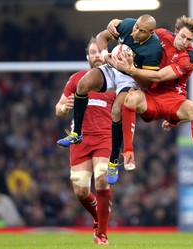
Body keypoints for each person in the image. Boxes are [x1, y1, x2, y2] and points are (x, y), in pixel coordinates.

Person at [109, 15, 193, 183]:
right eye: (182, 36)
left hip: (173, 100)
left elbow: (160, 76)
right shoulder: (159, 35)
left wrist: (131, 70)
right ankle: (128, 152)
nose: (184, 41)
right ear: (176, 32)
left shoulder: (189, 58)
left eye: (189, 40)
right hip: (151, 97)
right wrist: (115, 23)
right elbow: (130, 27)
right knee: (130, 99)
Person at [57, 15, 163, 185]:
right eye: (136, 27)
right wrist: (106, 54)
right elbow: (102, 36)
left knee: (116, 111)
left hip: (130, 77)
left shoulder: (153, 49)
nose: (135, 32)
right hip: (111, 67)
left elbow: (147, 82)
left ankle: (113, 161)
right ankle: (77, 133)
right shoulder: (127, 25)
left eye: (141, 31)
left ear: (150, 33)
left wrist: (131, 69)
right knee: (83, 84)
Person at [55, 37, 115, 245]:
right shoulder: (77, 79)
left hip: (104, 137)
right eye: (92, 52)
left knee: (101, 178)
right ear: (87, 57)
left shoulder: (116, 80)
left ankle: (102, 234)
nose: (96, 55)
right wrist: (65, 108)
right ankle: (99, 219)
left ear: (107, 53)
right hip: (80, 139)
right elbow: (59, 108)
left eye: (99, 51)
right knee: (81, 189)